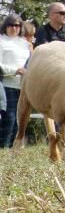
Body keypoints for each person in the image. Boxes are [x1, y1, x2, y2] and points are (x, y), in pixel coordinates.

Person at [0, 14, 31, 148]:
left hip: (23, 86)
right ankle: (3, 147)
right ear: (5, 26)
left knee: (20, 120)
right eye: (11, 25)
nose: (14, 28)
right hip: (6, 84)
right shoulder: (1, 41)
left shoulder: (25, 43)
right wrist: (15, 70)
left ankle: (14, 148)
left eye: (17, 25)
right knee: (9, 118)